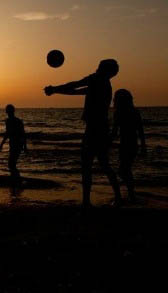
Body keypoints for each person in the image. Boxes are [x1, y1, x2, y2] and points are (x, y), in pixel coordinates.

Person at [44, 59, 122, 207]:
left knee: (87, 166)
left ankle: (87, 201)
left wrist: (54, 89)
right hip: (102, 128)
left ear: (103, 69)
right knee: (104, 164)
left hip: (94, 129)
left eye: (99, 67)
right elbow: (76, 91)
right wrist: (56, 90)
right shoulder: (104, 84)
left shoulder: (96, 79)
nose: (96, 69)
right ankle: (117, 197)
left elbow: (75, 85)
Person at [111, 89, 146, 203]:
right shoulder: (134, 111)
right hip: (132, 144)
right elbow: (140, 131)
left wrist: (107, 141)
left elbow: (114, 132)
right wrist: (143, 146)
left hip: (126, 144)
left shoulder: (118, 113)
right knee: (125, 169)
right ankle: (131, 194)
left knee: (123, 170)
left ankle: (131, 195)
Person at [0, 104, 28, 196]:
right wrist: (1, 144)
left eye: (9, 111)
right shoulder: (9, 121)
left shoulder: (17, 121)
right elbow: (7, 134)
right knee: (12, 164)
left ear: (11, 111)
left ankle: (18, 181)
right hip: (13, 145)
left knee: (11, 164)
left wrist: (25, 147)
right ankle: (16, 181)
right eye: (8, 111)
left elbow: (23, 134)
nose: (8, 112)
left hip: (17, 145)